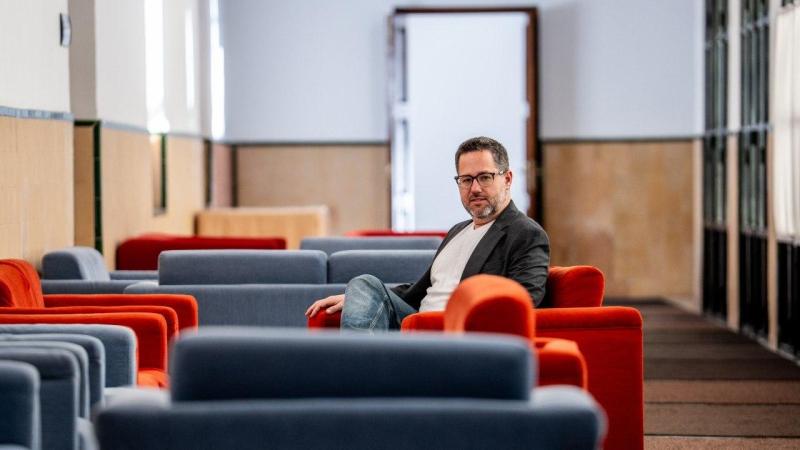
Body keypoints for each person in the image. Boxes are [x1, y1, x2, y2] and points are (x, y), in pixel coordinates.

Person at [305, 136, 550, 332]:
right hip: (417, 322)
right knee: (363, 283)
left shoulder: (526, 233)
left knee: (364, 286)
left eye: (485, 177)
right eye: (466, 180)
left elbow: (525, 300)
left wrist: (461, 318)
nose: (474, 188)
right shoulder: (458, 231)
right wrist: (362, 299)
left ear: (507, 179)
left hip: (454, 330)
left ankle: (355, 378)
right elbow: (419, 291)